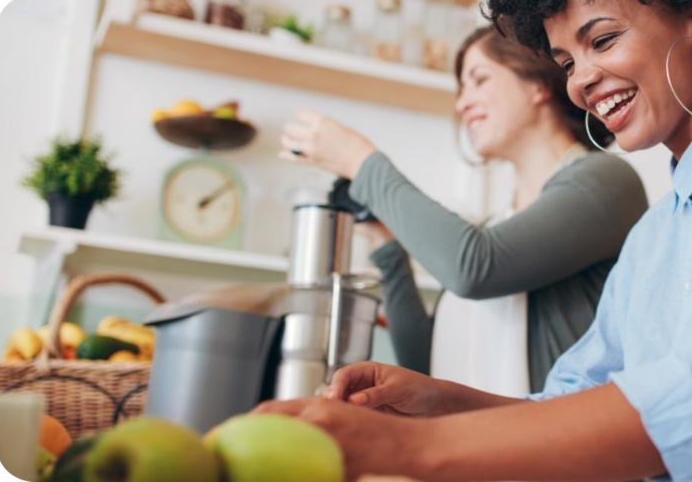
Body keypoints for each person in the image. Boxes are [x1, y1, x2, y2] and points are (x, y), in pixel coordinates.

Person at [257, 0, 692, 480]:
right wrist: (440, 400)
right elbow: (576, 400)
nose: (583, 79)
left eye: (602, 39)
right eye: (566, 61)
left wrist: (417, 449)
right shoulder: (656, 232)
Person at [277, 24, 648, 397]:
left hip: (559, 447)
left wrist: (360, 161)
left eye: (479, 80)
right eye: (462, 88)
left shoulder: (603, 180)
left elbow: (474, 267)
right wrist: (387, 246)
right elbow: (426, 367)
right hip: (477, 445)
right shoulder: (494, 228)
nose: (462, 103)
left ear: (538, 82)